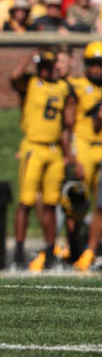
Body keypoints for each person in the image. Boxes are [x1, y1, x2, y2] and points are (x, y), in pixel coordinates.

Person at [9, 49, 75, 272]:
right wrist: (29, 55)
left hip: (54, 149)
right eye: (44, 65)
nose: (47, 69)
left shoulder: (64, 87)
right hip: (33, 147)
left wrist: (68, 154)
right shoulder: (31, 83)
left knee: (50, 203)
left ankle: (49, 251)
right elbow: (14, 77)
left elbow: (67, 125)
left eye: (50, 64)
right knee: (26, 202)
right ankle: (18, 251)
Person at [69, 43, 102, 272]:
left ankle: (90, 251)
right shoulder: (77, 86)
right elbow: (68, 123)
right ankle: (74, 247)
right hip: (82, 144)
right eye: (93, 64)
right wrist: (73, 156)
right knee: (79, 202)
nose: (97, 70)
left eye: (100, 65)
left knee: (101, 204)